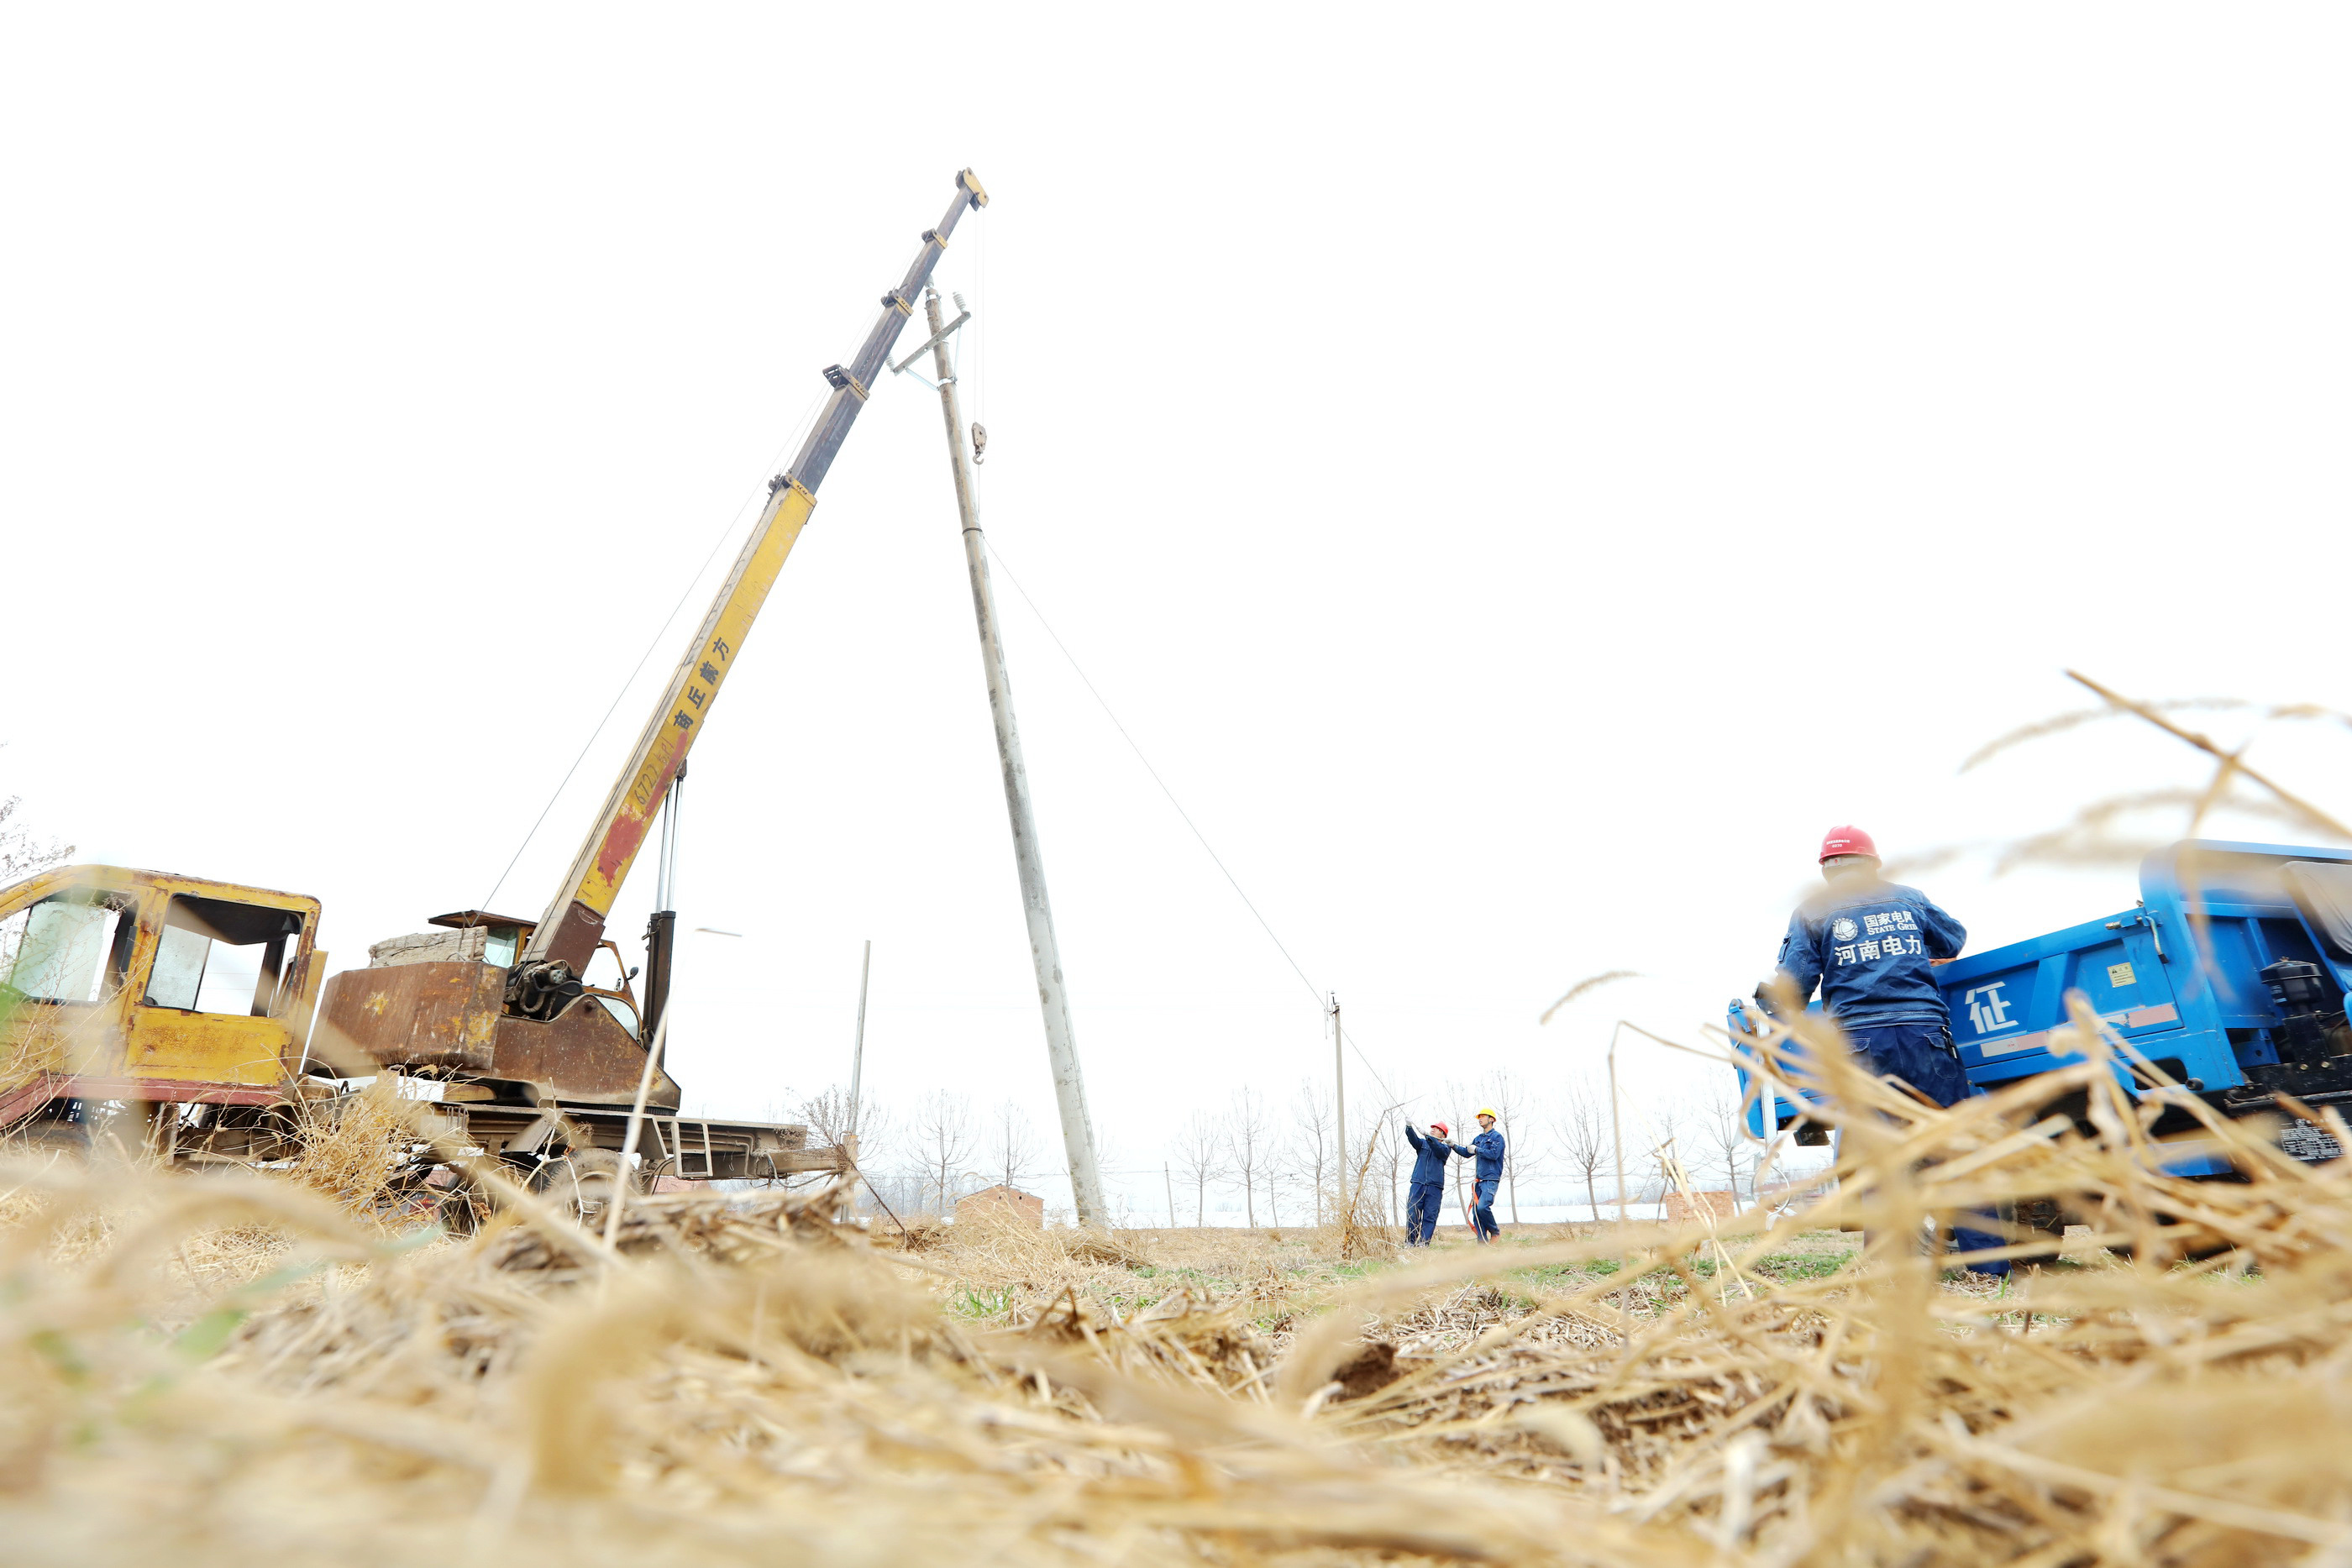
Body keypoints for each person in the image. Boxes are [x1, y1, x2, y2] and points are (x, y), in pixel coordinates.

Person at [1773, 824, 2007, 1277]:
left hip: (1861, 1044)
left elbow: (1794, 987)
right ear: (1873, 863)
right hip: (1926, 1035)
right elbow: (1953, 939)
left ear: (1826, 869)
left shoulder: (1813, 910)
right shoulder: (1907, 897)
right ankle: (1990, 1269)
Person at [1449, 1109, 1505, 1244]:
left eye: (1483, 1117)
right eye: (1479, 1117)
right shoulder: (1479, 1139)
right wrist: (1453, 1146)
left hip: (1490, 1179)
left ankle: (1495, 1231)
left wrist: (1477, 1150)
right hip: (1479, 1180)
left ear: (1491, 1119)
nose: (1480, 1119)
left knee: (1482, 1207)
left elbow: (1494, 1155)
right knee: (1476, 1212)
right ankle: (1482, 1242)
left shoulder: (1497, 1137)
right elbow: (1467, 1152)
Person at [1400, 1120, 1457, 1245]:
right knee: (1412, 1213)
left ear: (1442, 1135)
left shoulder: (1446, 1148)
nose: (1432, 1130)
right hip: (1418, 1184)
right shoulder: (1423, 1144)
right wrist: (1409, 1128)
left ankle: (1423, 1244)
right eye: (1432, 1128)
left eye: (1436, 1129)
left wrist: (1428, 1137)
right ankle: (1410, 1242)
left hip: (1434, 1187)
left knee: (1430, 1217)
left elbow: (1437, 1149)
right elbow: (1413, 1140)